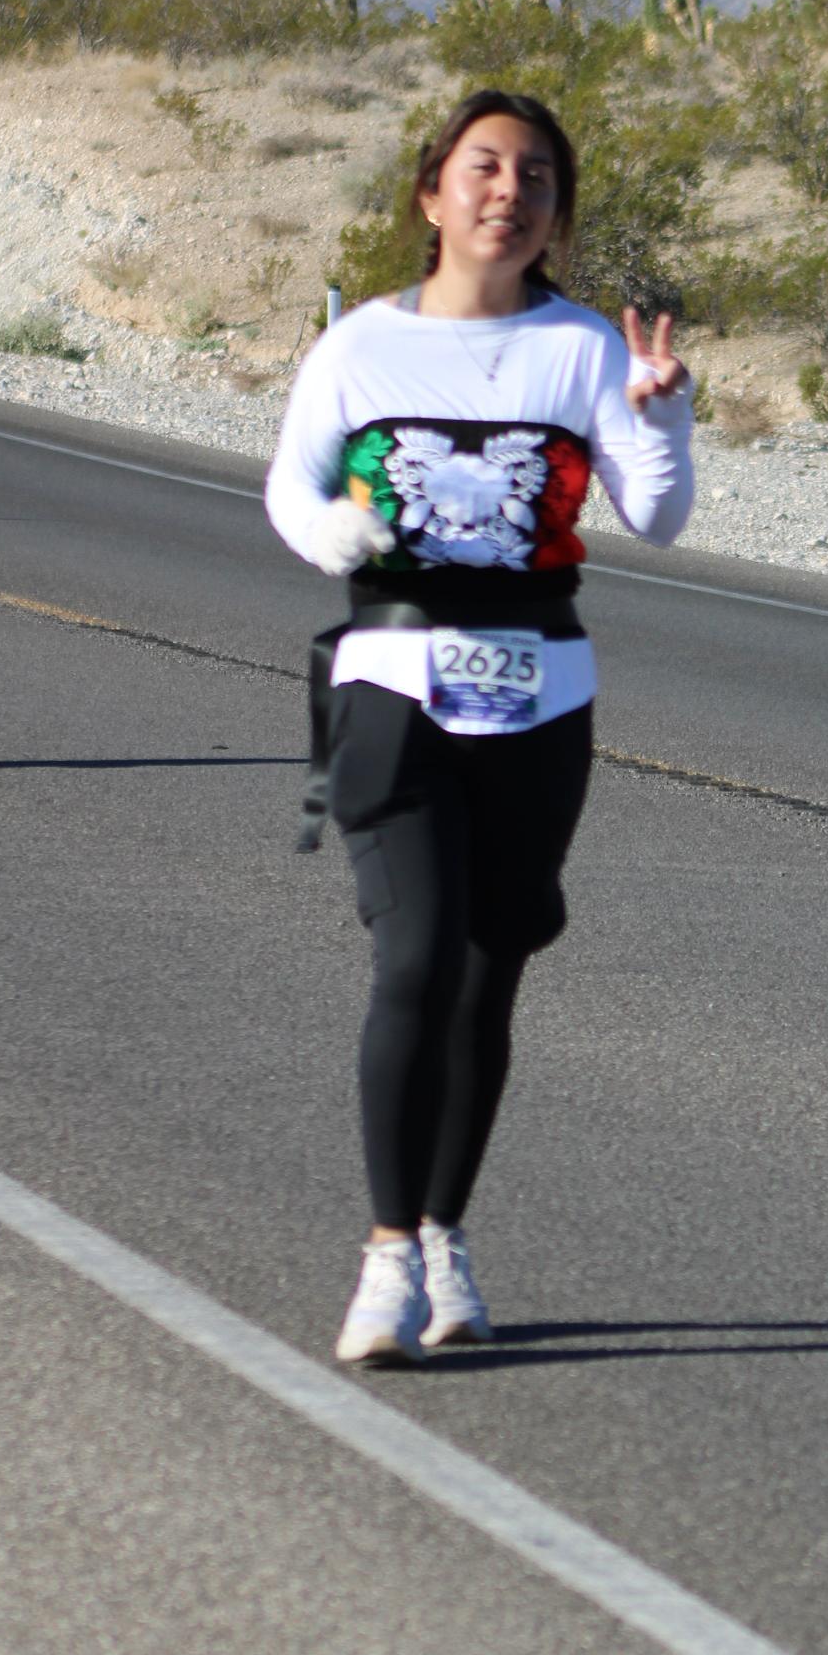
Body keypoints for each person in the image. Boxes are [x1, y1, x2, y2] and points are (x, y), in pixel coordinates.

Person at [266, 88, 694, 1364]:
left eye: (538, 177)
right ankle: (386, 1257)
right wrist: (333, 531)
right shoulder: (360, 346)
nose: (511, 193)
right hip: (392, 684)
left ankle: (444, 1234)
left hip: (539, 690)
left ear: (559, 210)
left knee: (489, 967)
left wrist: (662, 416)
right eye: (486, 168)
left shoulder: (582, 350)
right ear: (432, 192)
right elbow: (292, 485)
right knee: (415, 955)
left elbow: (657, 517)